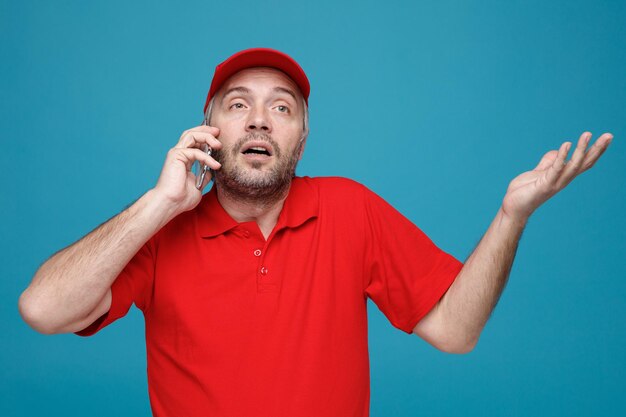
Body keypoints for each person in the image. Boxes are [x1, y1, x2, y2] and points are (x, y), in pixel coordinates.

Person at [18, 48, 613, 416]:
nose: (257, 117)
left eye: (281, 107)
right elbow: (43, 309)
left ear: (302, 136)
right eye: (236, 103)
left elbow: (455, 331)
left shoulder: (351, 209)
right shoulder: (160, 229)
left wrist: (511, 215)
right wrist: (158, 204)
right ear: (209, 127)